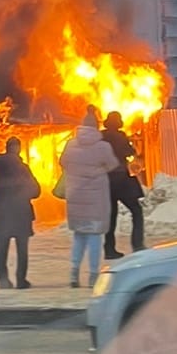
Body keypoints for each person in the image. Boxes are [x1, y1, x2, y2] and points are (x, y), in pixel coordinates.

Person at [59, 110, 116, 290]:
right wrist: (98, 171)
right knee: (94, 238)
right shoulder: (103, 147)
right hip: (95, 197)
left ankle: (73, 273)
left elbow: (63, 162)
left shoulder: (70, 144)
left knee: (79, 236)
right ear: (96, 126)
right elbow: (113, 164)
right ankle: (92, 275)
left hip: (75, 196)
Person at [0, 138, 39, 289]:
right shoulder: (22, 168)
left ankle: (3, 280)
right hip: (20, 211)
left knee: (2, 246)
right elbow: (36, 190)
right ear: (18, 149)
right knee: (22, 248)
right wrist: (23, 194)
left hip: (2, 212)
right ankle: (21, 279)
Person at [101, 110, 146, 258]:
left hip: (106, 180)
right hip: (120, 178)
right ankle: (137, 244)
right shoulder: (120, 136)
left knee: (111, 215)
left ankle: (109, 249)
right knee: (136, 211)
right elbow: (129, 151)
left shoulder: (101, 136)